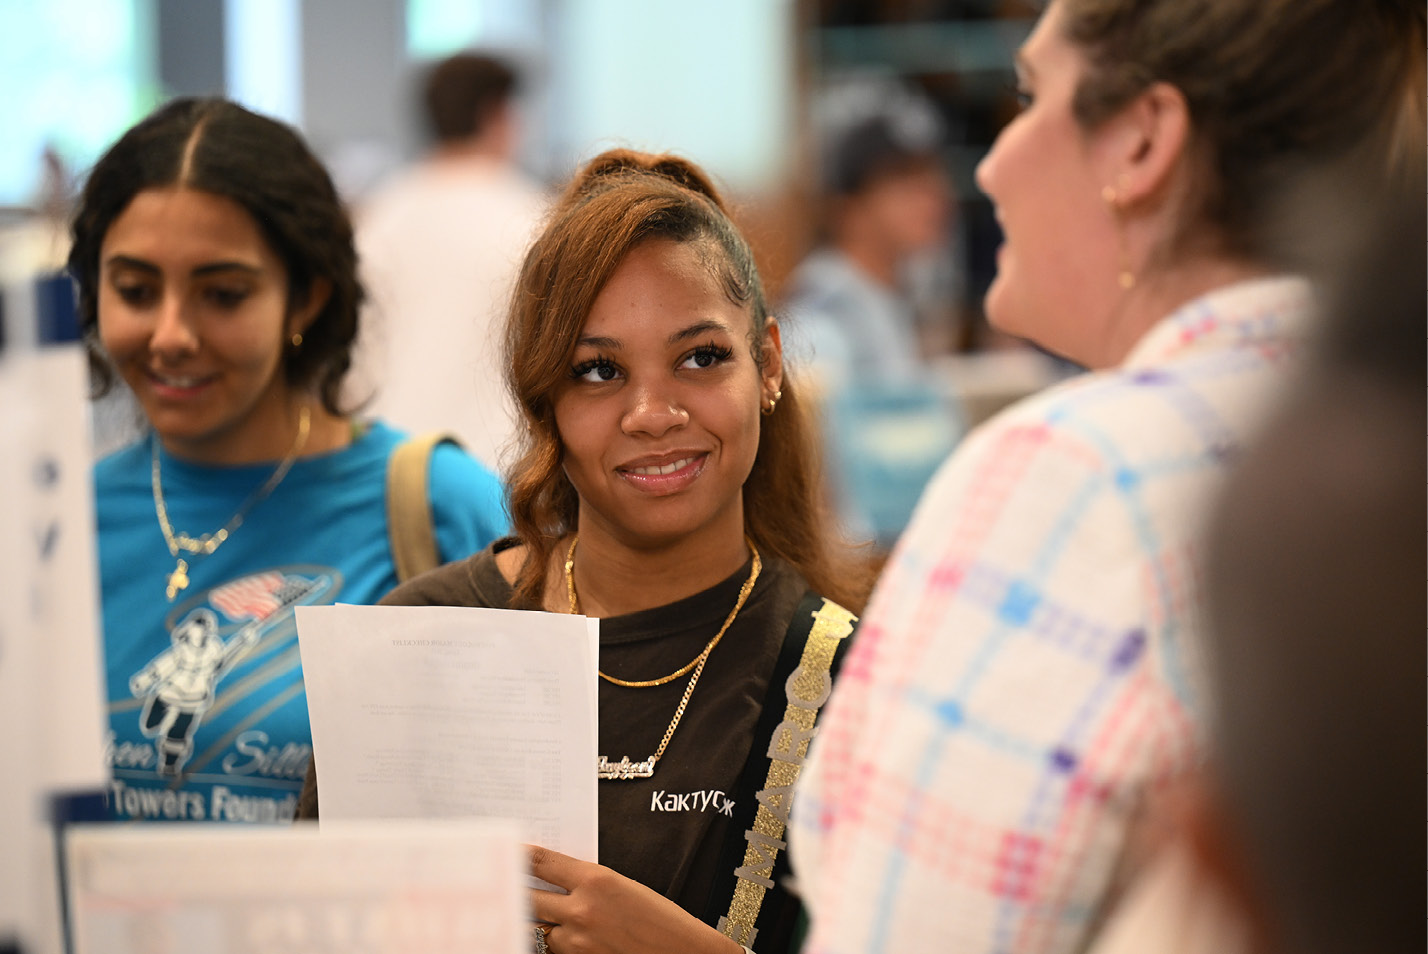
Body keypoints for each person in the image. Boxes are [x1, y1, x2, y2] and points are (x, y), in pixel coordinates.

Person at [787, 2, 1425, 953]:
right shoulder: (1375, 440)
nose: (993, 165)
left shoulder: (1076, 477)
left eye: (1033, 97)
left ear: (1140, 140)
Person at [299, 149, 872, 954]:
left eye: (701, 358)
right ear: (546, 403)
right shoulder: (418, 643)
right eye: (598, 370)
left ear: (768, 363)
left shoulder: (854, 688)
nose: (652, 412)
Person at [70, 97, 509, 824]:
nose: (171, 334)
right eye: (136, 290)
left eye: (223, 294)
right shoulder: (52, 532)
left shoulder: (442, 506)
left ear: (306, 300)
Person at [350, 52, 549, 471]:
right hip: (499, 479)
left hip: (387, 473)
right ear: (496, 114)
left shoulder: (377, 219)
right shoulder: (534, 221)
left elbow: (352, 368)